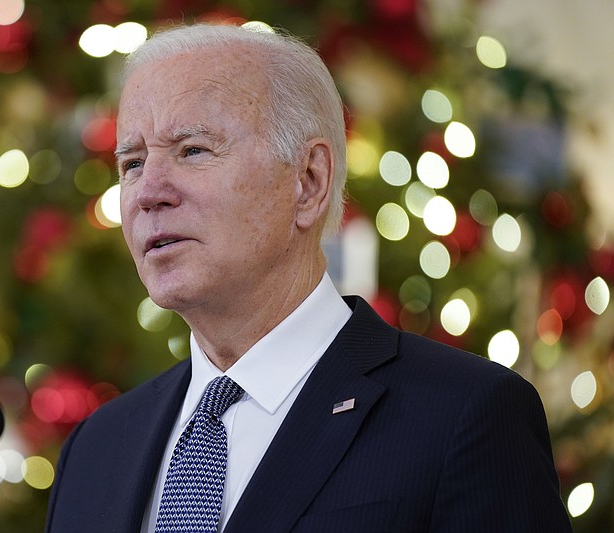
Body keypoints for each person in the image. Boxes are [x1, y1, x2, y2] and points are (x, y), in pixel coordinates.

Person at [45, 23, 572, 532]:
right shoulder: (96, 449)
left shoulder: (465, 416)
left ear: (308, 182)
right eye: (132, 163)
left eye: (193, 151)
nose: (147, 192)